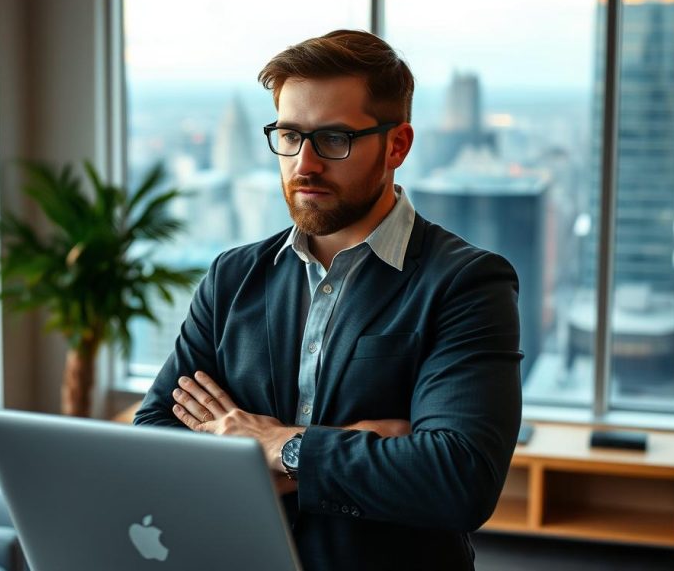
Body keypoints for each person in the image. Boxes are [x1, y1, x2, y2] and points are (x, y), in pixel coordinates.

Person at [133, 29, 522, 571]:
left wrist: (280, 444)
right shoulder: (233, 277)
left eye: (334, 138)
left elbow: (456, 480)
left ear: (397, 146)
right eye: (289, 136)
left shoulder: (466, 283)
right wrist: (347, 444)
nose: (304, 164)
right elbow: (154, 440)